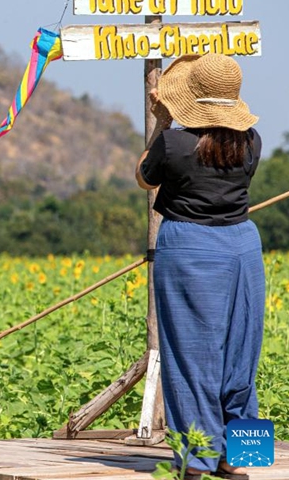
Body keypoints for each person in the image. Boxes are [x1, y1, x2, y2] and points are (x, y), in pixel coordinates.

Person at [136, 53, 263, 480]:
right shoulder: (252, 141)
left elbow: (144, 177)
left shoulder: (173, 143)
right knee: (240, 356)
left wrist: (162, 122)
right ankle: (240, 458)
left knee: (191, 357)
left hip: (189, 245)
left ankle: (197, 460)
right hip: (243, 246)